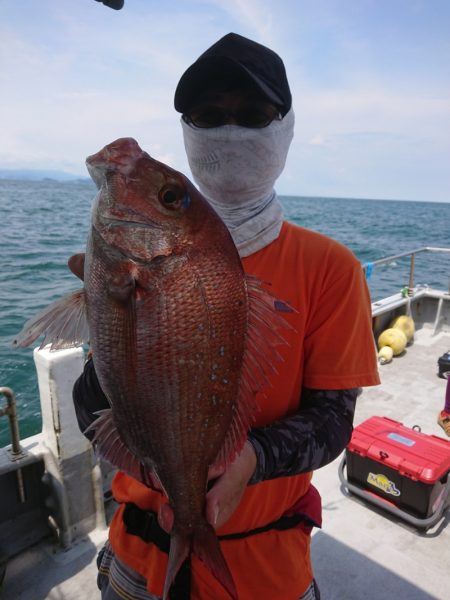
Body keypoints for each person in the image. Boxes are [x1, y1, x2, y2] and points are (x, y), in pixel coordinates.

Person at [73, 32, 380, 600]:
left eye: (254, 114)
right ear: (188, 132)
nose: (231, 129)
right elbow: (94, 402)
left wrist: (251, 460)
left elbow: (334, 422)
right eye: (210, 115)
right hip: (136, 560)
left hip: (264, 574)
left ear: (283, 129)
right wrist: (106, 317)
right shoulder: (130, 259)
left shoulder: (331, 268)